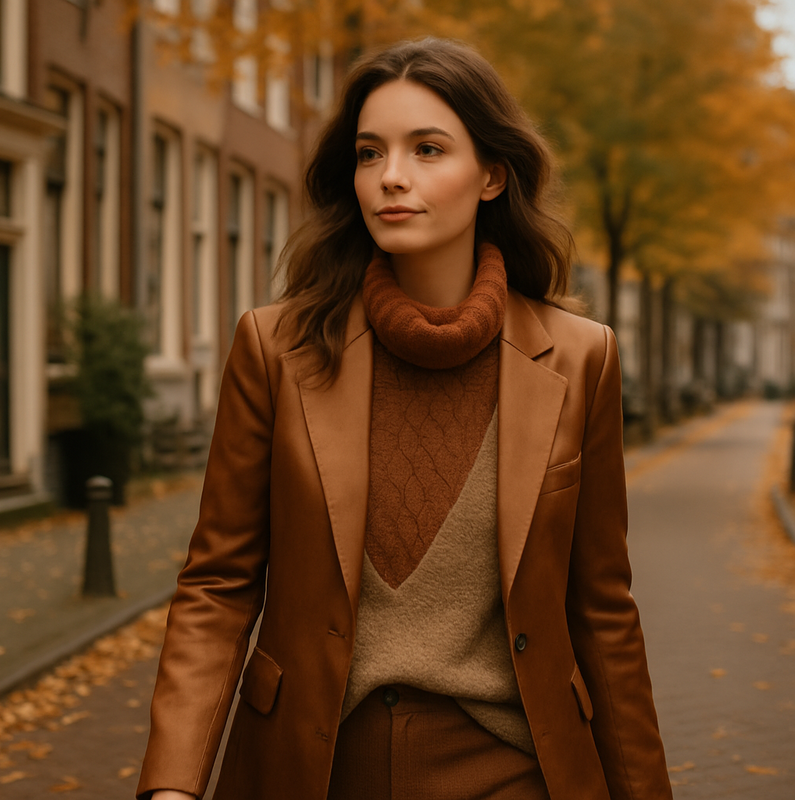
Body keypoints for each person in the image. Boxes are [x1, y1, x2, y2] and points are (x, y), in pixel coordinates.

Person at [137, 37, 673, 800]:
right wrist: (172, 784)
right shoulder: (275, 347)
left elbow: (603, 610)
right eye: (368, 152)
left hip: (515, 772)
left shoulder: (580, 360)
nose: (390, 177)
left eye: (427, 149)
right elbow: (218, 585)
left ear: (492, 174)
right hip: (311, 768)